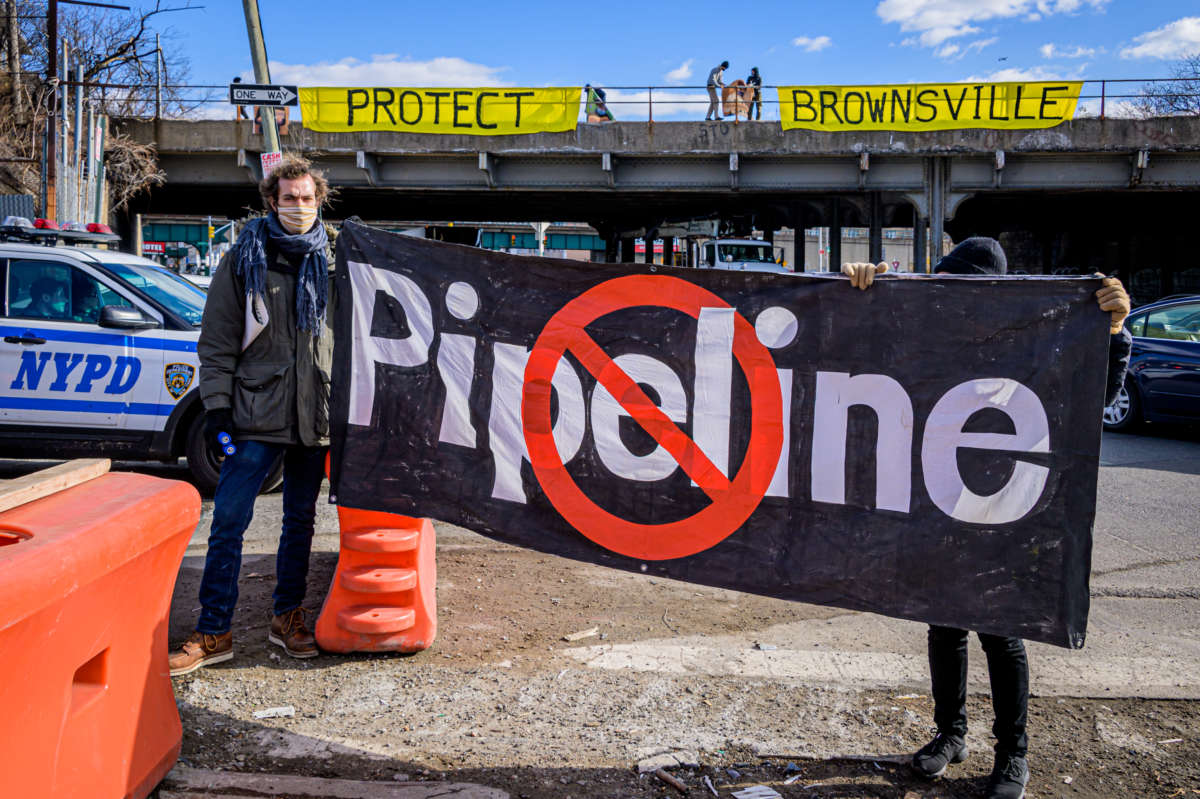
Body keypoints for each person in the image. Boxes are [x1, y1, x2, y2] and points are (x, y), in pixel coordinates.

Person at [842, 238, 1132, 799]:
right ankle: (950, 735)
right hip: (939, 507)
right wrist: (860, 296)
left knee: (1001, 635)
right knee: (944, 624)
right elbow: (855, 364)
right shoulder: (931, 339)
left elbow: (1095, 395)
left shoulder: (1031, 345)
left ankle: (1011, 756)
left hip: (1008, 511)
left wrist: (1113, 333)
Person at [168, 153, 335, 676]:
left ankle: (287, 618)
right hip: (253, 414)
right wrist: (217, 409)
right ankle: (214, 630)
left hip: (315, 416)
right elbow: (216, 343)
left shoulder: (336, 262)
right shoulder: (243, 259)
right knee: (229, 524)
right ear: (271, 201)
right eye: (290, 199)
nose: (300, 207)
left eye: (308, 199)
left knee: (300, 523)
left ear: (319, 199)